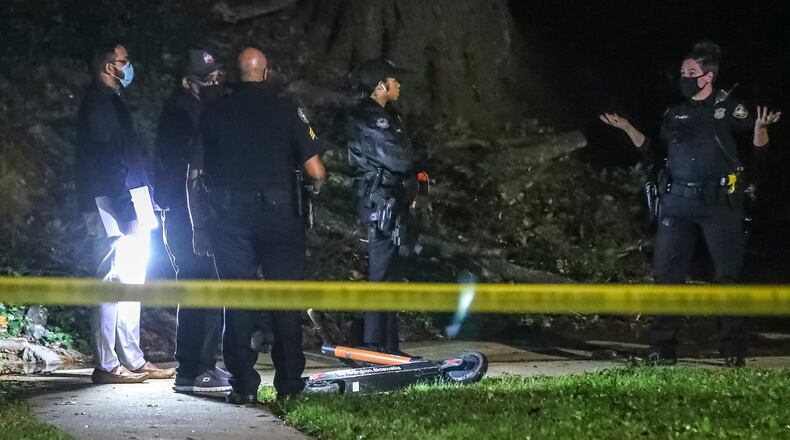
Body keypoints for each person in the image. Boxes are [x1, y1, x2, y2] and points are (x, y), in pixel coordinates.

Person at [599, 41, 781, 367]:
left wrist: (760, 129)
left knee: (727, 277)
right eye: (683, 71)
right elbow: (654, 152)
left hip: (719, 204)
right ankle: (662, 347)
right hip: (677, 203)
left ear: (708, 77)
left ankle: (732, 349)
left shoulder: (728, 108)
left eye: (691, 72)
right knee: (667, 275)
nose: (684, 76)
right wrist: (627, 128)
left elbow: (759, 151)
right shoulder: (674, 112)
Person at [188, 47, 326, 403]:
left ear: (235, 74)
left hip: (229, 219)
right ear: (266, 73)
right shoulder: (287, 110)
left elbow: (194, 176)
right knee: (285, 300)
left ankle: (244, 386)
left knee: (237, 301)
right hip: (281, 218)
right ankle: (289, 386)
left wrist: (198, 226)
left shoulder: (214, 112)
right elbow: (315, 171)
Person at [75, 42, 175, 383]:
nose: (129, 67)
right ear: (108, 66)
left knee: (132, 282)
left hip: (129, 199)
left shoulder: (112, 101)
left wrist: (143, 199)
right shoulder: (98, 104)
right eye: (124, 61)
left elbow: (127, 157)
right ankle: (106, 364)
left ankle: (132, 358)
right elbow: (108, 162)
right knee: (110, 282)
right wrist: (127, 209)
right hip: (112, 205)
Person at [154, 49, 231, 393]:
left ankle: (196, 365)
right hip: (190, 213)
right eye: (208, 80)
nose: (216, 85)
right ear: (188, 82)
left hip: (186, 211)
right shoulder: (186, 115)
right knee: (204, 288)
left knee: (198, 286)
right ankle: (197, 368)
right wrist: (200, 223)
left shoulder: (192, 110)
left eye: (219, 79)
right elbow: (191, 174)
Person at [346, 59, 419, 354]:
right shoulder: (370, 118)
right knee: (381, 273)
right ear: (379, 85)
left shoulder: (388, 116)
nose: (399, 85)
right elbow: (400, 158)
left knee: (390, 274)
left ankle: (388, 346)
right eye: (394, 80)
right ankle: (375, 345)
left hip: (392, 201)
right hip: (379, 203)